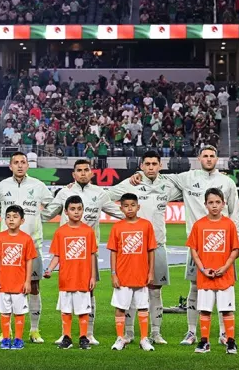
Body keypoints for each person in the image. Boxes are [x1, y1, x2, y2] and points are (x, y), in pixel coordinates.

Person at [128, 145, 239, 346]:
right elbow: (160, 176)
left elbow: (236, 214)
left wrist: (236, 245)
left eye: (212, 156)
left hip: (223, 245)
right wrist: (139, 174)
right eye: (205, 156)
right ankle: (191, 332)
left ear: (217, 158)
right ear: (199, 158)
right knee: (195, 288)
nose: (208, 159)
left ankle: (225, 333)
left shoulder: (227, 182)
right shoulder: (187, 177)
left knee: (225, 289)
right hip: (197, 246)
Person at [48, 159, 124, 345]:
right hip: (67, 253)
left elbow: (119, 212)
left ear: (92, 173)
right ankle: (65, 334)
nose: (83, 173)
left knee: (89, 292)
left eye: (86, 170)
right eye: (79, 170)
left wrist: (139, 217)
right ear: (73, 174)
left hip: (89, 252)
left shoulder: (99, 193)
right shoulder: (64, 192)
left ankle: (88, 333)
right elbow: (47, 213)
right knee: (65, 292)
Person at [108, 150, 180, 345]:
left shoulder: (167, 185)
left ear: (160, 165)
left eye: (154, 164)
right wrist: (122, 215)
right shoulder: (132, 183)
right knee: (131, 290)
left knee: (155, 290)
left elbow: (191, 190)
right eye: (147, 164)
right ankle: (129, 333)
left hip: (157, 246)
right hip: (132, 249)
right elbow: (105, 195)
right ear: (141, 166)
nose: (150, 167)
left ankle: (156, 332)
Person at [0, 151, 54, 343]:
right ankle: (6, 332)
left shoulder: (38, 186)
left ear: (28, 165)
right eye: (16, 162)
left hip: (32, 245)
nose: (20, 165)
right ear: (10, 166)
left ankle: (34, 330)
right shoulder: (2, 186)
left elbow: (53, 206)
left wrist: (38, 219)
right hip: (7, 249)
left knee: (34, 287)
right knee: (5, 288)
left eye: (23, 162)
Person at [186, 188, 239, 355]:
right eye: (211, 202)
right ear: (205, 205)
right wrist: (202, 269)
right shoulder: (199, 225)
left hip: (225, 275)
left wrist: (225, 267)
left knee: (226, 309)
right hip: (206, 276)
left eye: (218, 202)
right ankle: (204, 341)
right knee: (205, 309)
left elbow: (235, 250)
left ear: (223, 204)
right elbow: (194, 250)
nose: (214, 206)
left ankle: (231, 341)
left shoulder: (229, 224)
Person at [43, 196, 98, 350]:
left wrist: (93, 276)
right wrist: (49, 269)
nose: (76, 212)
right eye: (72, 209)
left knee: (83, 310)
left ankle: (83, 337)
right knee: (66, 310)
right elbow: (57, 255)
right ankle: (67, 337)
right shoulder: (61, 232)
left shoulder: (88, 231)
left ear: (83, 210)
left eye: (79, 209)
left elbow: (92, 255)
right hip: (66, 279)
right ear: (66, 212)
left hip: (83, 278)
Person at [106, 193, 157, 352]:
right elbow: (113, 251)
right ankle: (120, 338)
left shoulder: (146, 225)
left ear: (138, 207)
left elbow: (151, 250)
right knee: (120, 307)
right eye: (126, 206)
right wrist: (114, 273)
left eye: (132, 205)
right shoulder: (117, 227)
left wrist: (151, 272)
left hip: (141, 274)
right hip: (122, 275)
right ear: (121, 208)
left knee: (143, 307)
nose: (129, 208)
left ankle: (143, 339)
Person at [0, 205, 38, 350]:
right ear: (5, 219)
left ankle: (18, 339)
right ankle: (5, 339)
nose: (11, 219)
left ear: (22, 220)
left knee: (19, 313)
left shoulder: (26, 239)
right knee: (5, 313)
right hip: (4, 283)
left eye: (15, 216)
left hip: (19, 285)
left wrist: (28, 281)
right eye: (8, 216)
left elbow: (29, 260)